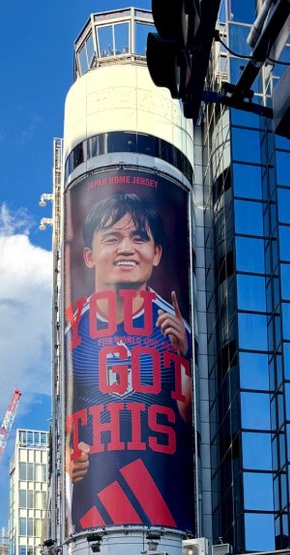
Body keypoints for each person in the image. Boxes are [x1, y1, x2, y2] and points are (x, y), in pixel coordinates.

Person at [66, 190, 193, 534]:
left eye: (139, 238)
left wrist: (183, 358)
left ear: (156, 253)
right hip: (94, 510)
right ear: (90, 256)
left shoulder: (177, 329)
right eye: (112, 238)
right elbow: (65, 415)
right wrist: (67, 459)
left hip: (165, 508)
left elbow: (194, 426)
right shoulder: (73, 332)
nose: (126, 248)